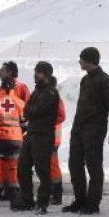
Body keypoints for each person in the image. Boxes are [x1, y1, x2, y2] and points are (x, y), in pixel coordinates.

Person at [64, 47, 109, 215]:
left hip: (95, 129)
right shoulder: (85, 80)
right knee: (74, 164)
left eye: (81, 58)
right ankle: (80, 200)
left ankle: (93, 203)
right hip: (79, 128)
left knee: (93, 165)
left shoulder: (105, 80)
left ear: (89, 60)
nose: (79, 61)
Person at [14, 62, 60, 215]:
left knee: (42, 169)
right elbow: (27, 110)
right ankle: (27, 199)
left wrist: (31, 111)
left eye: (38, 72)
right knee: (22, 167)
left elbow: (37, 110)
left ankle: (42, 202)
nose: (35, 75)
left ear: (46, 75)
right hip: (32, 133)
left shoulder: (51, 92)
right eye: (35, 71)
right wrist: (31, 111)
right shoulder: (36, 92)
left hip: (43, 135)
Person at [0, 76, 26, 207]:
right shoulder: (19, 102)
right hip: (15, 140)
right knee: (14, 168)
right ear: (14, 88)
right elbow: (25, 122)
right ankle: (14, 196)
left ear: (1, 88)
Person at [49, 76, 66, 205]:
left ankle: (57, 193)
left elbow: (61, 116)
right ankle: (51, 191)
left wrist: (46, 122)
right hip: (47, 136)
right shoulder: (50, 97)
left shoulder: (55, 99)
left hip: (52, 138)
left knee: (53, 166)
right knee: (48, 165)